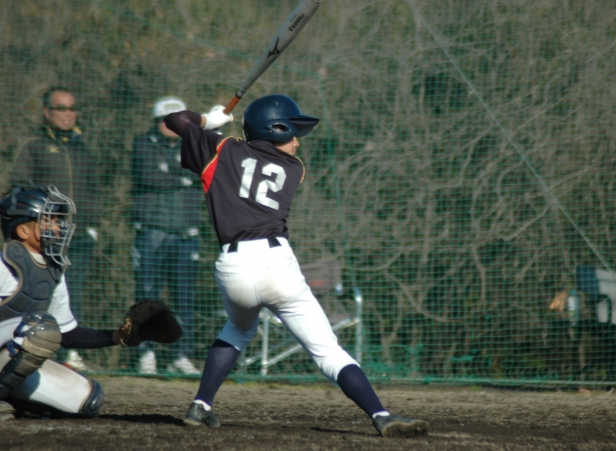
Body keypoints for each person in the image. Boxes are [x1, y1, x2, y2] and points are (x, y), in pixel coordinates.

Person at [164, 95, 430, 437]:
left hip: (232, 267)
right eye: (292, 134)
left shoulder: (221, 149)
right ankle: (381, 415)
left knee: (238, 330)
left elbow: (174, 120)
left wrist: (205, 122)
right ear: (274, 130)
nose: (297, 142)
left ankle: (201, 405)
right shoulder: (293, 168)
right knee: (327, 351)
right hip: (276, 264)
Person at [0, 186, 118, 421]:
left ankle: (10, 396)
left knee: (88, 400)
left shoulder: (53, 269)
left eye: (56, 220)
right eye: (48, 220)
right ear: (23, 230)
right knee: (38, 329)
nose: (57, 226)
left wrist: (119, 336)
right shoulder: (3, 265)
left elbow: (66, 334)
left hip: (13, 361)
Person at [11, 86, 101, 372]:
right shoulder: (34, 146)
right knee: (40, 292)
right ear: (47, 112)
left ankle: (71, 354)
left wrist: (93, 224)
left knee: (75, 292)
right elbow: (20, 186)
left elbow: (95, 189)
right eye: (61, 108)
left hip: (80, 235)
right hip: (46, 236)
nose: (68, 114)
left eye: (72, 108)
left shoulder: (84, 149)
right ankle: (34, 349)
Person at [130, 96, 202, 376]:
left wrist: (172, 174)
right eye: (167, 121)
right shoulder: (142, 144)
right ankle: (145, 352)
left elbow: (201, 174)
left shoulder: (194, 146)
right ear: (156, 121)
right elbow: (149, 177)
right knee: (148, 294)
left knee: (185, 295)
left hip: (186, 232)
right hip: (152, 230)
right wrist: (183, 178)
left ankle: (180, 354)